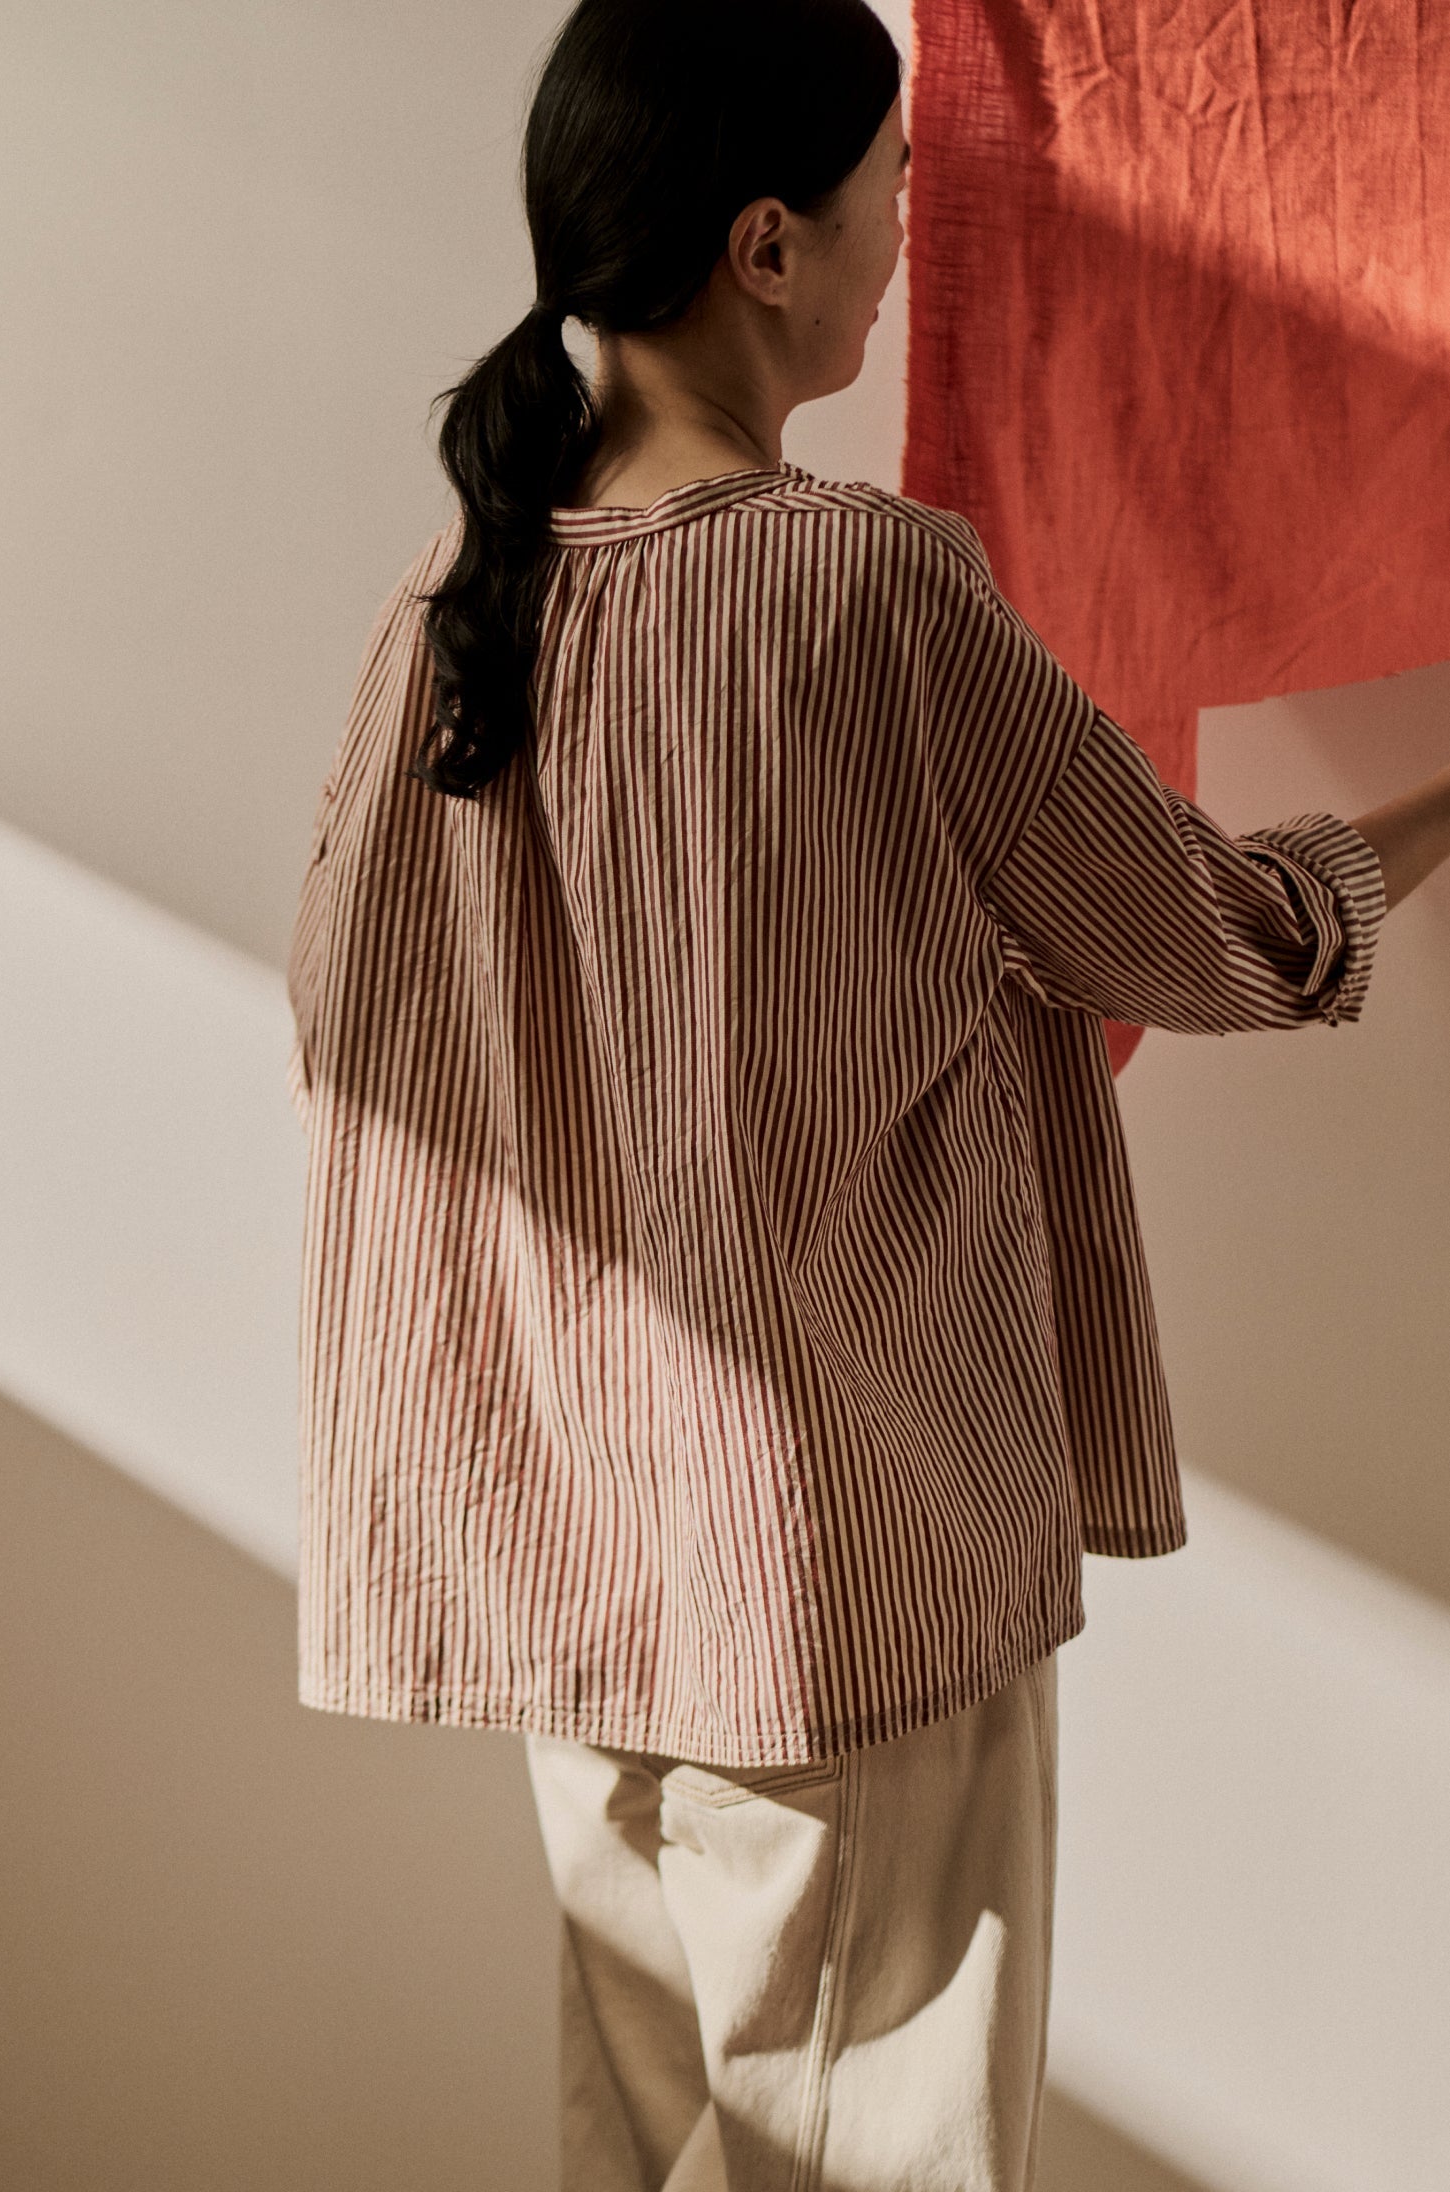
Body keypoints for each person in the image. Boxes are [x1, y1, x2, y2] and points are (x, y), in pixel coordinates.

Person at [284, 2, 1450, 2185]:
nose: (915, 234)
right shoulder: (862, 588)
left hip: (579, 1572)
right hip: (845, 1566)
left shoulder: (447, 611)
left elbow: (355, 1047)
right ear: (766, 246)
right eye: (895, 187)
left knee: (659, 2157)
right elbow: (1207, 936)